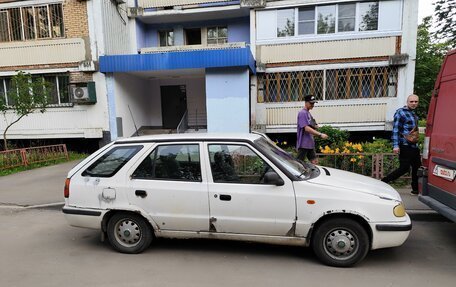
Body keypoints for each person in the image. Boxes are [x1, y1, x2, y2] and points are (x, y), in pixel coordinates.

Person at [382, 94, 421, 195]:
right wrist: (395, 145)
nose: (414, 103)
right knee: (404, 168)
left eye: (416, 101)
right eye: (411, 101)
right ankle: (383, 182)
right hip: (405, 145)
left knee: (417, 168)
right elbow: (395, 130)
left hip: (414, 146)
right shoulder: (401, 112)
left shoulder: (414, 114)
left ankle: (415, 189)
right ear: (407, 102)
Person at [296, 95, 328, 164]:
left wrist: (322, 129)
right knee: (298, 164)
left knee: (315, 162)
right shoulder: (302, 113)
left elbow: (313, 125)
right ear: (306, 102)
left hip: (309, 143)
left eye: (313, 103)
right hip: (303, 144)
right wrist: (320, 134)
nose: (313, 105)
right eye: (311, 103)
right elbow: (306, 128)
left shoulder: (308, 113)